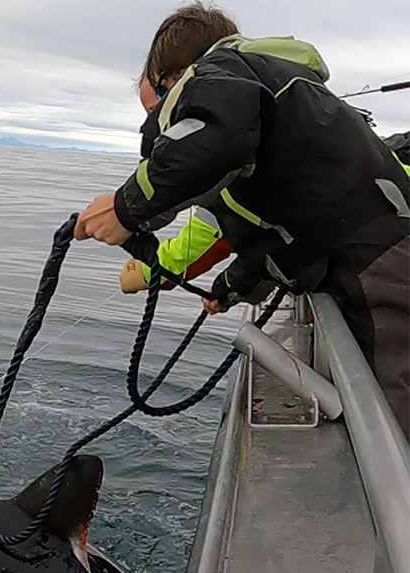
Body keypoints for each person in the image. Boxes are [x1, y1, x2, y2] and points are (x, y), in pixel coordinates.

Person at [73, 2, 410, 437]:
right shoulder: (269, 103)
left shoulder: (224, 70)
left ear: (174, 76)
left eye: (159, 102)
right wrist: (231, 288)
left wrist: (125, 207)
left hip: (378, 266)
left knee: (392, 417)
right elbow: (286, 234)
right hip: (363, 262)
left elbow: (216, 140)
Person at [119, 79, 410, 295]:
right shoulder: (292, 118)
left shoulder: (233, 153)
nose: (157, 122)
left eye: (160, 105)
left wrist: (144, 272)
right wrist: (233, 284)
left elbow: (200, 247)